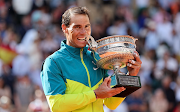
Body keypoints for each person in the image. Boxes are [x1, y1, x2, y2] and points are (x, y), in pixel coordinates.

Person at [40, 6, 142, 112]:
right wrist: (95, 94)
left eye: (87, 26)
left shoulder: (97, 58)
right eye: (77, 27)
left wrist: (130, 76)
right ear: (65, 28)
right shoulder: (53, 62)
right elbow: (57, 105)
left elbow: (110, 103)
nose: (84, 32)